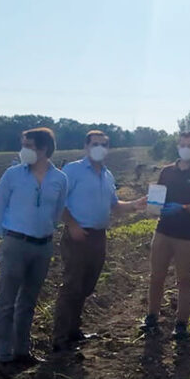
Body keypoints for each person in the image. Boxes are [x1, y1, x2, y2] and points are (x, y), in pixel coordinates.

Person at [52, 130, 145, 352]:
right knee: (72, 285)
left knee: (86, 285)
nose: (99, 148)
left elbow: (114, 205)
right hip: (77, 236)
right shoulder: (72, 170)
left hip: (98, 237)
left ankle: (74, 331)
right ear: (86, 147)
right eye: (95, 144)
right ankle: (60, 338)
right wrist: (72, 225)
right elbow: (57, 200)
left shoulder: (107, 175)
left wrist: (136, 204)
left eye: (103, 144)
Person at [0, 127, 68, 375]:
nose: (23, 150)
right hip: (15, 243)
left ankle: (22, 351)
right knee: (6, 302)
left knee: (28, 301)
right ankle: (4, 355)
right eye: (23, 145)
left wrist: (46, 230)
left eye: (28, 145)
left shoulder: (60, 179)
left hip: (43, 246)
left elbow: (58, 211)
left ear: (43, 149)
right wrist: (4, 236)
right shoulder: (12, 174)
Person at [140, 131, 190, 338]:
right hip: (163, 231)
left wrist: (182, 208)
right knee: (156, 276)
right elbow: (157, 198)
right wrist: (153, 205)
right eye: (183, 145)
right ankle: (151, 317)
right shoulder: (167, 172)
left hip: (188, 236)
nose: (186, 149)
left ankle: (181, 325)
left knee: (184, 280)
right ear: (177, 147)